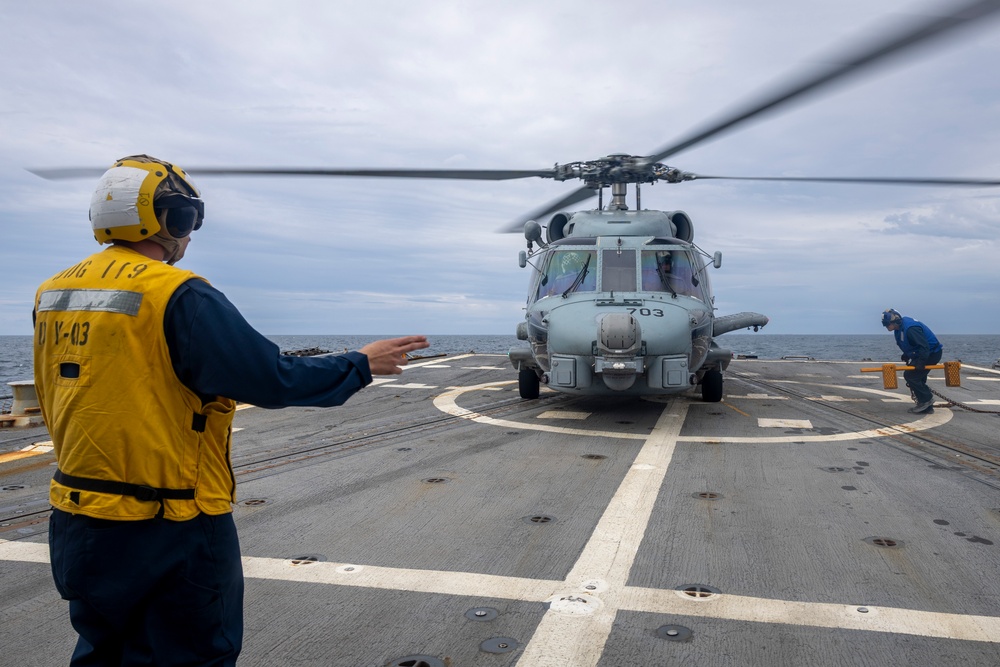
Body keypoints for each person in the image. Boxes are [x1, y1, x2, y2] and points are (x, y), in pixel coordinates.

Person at [32, 155, 430, 666]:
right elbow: (271, 377)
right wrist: (360, 363)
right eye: (189, 218)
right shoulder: (178, 294)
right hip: (169, 525)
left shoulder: (52, 293)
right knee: (195, 655)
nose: (191, 233)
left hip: (77, 521)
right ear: (170, 219)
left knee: (101, 652)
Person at [881, 308, 942, 414]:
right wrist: (907, 354)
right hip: (923, 354)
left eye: (887, 324)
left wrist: (921, 362)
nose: (886, 327)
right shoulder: (899, 328)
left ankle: (926, 400)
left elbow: (924, 346)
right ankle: (926, 406)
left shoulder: (910, 329)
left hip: (931, 354)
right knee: (918, 377)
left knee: (911, 376)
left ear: (895, 321)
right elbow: (909, 343)